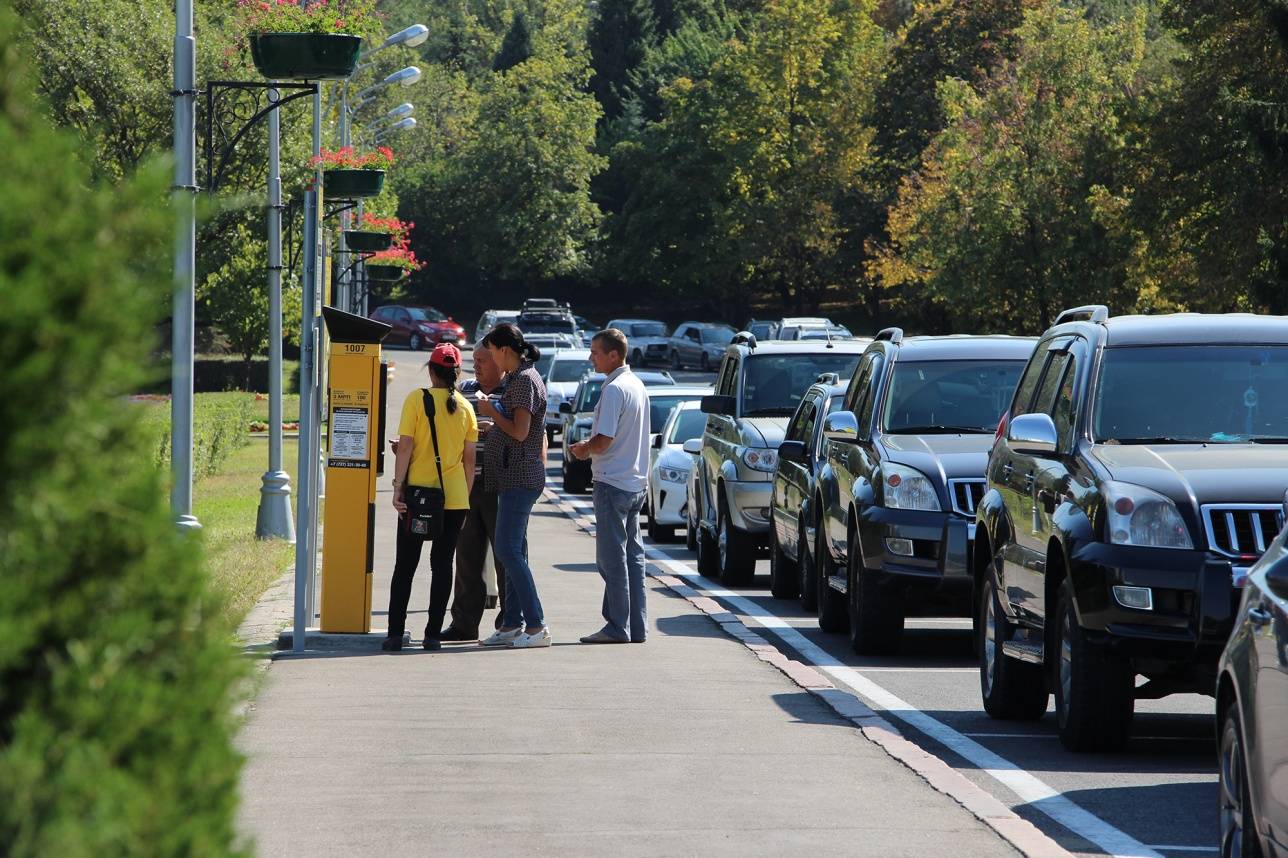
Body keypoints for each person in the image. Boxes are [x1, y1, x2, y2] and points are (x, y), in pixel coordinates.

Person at [383, 343, 478, 652]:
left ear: (432, 371)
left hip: (418, 497)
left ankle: (395, 634)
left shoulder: (416, 400)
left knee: (405, 567)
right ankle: (433, 635)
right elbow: (469, 460)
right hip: (453, 500)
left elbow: (407, 446)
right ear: (456, 373)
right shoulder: (466, 408)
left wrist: (398, 487)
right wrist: (464, 498)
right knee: (442, 565)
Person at [571, 328, 650, 644]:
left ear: (614, 355)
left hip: (612, 482)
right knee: (633, 558)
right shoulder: (637, 385)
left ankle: (618, 626)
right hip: (634, 482)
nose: (591, 358)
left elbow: (603, 442)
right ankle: (636, 626)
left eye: (596, 352)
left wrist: (583, 449)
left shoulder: (615, 389)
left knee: (611, 559)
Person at [476, 323, 552, 649]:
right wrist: (492, 426)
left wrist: (492, 412)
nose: (491, 360)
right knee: (513, 550)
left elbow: (521, 432)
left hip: (520, 476)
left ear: (504, 350)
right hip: (512, 476)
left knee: (507, 549)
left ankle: (536, 626)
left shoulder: (523, 381)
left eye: (492, 352)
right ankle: (511, 624)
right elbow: (512, 429)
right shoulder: (518, 378)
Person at [439, 345, 509, 641]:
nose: (476, 366)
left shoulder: (513, 391)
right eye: (474, 361)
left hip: (501, 485)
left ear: (499, 362)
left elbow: (530, 433)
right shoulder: (463, 390)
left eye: (483, 361)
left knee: (507, 557)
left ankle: (510, 621)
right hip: (467, 484)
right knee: (466, 557)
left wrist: (495, 426)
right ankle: (464, 624)